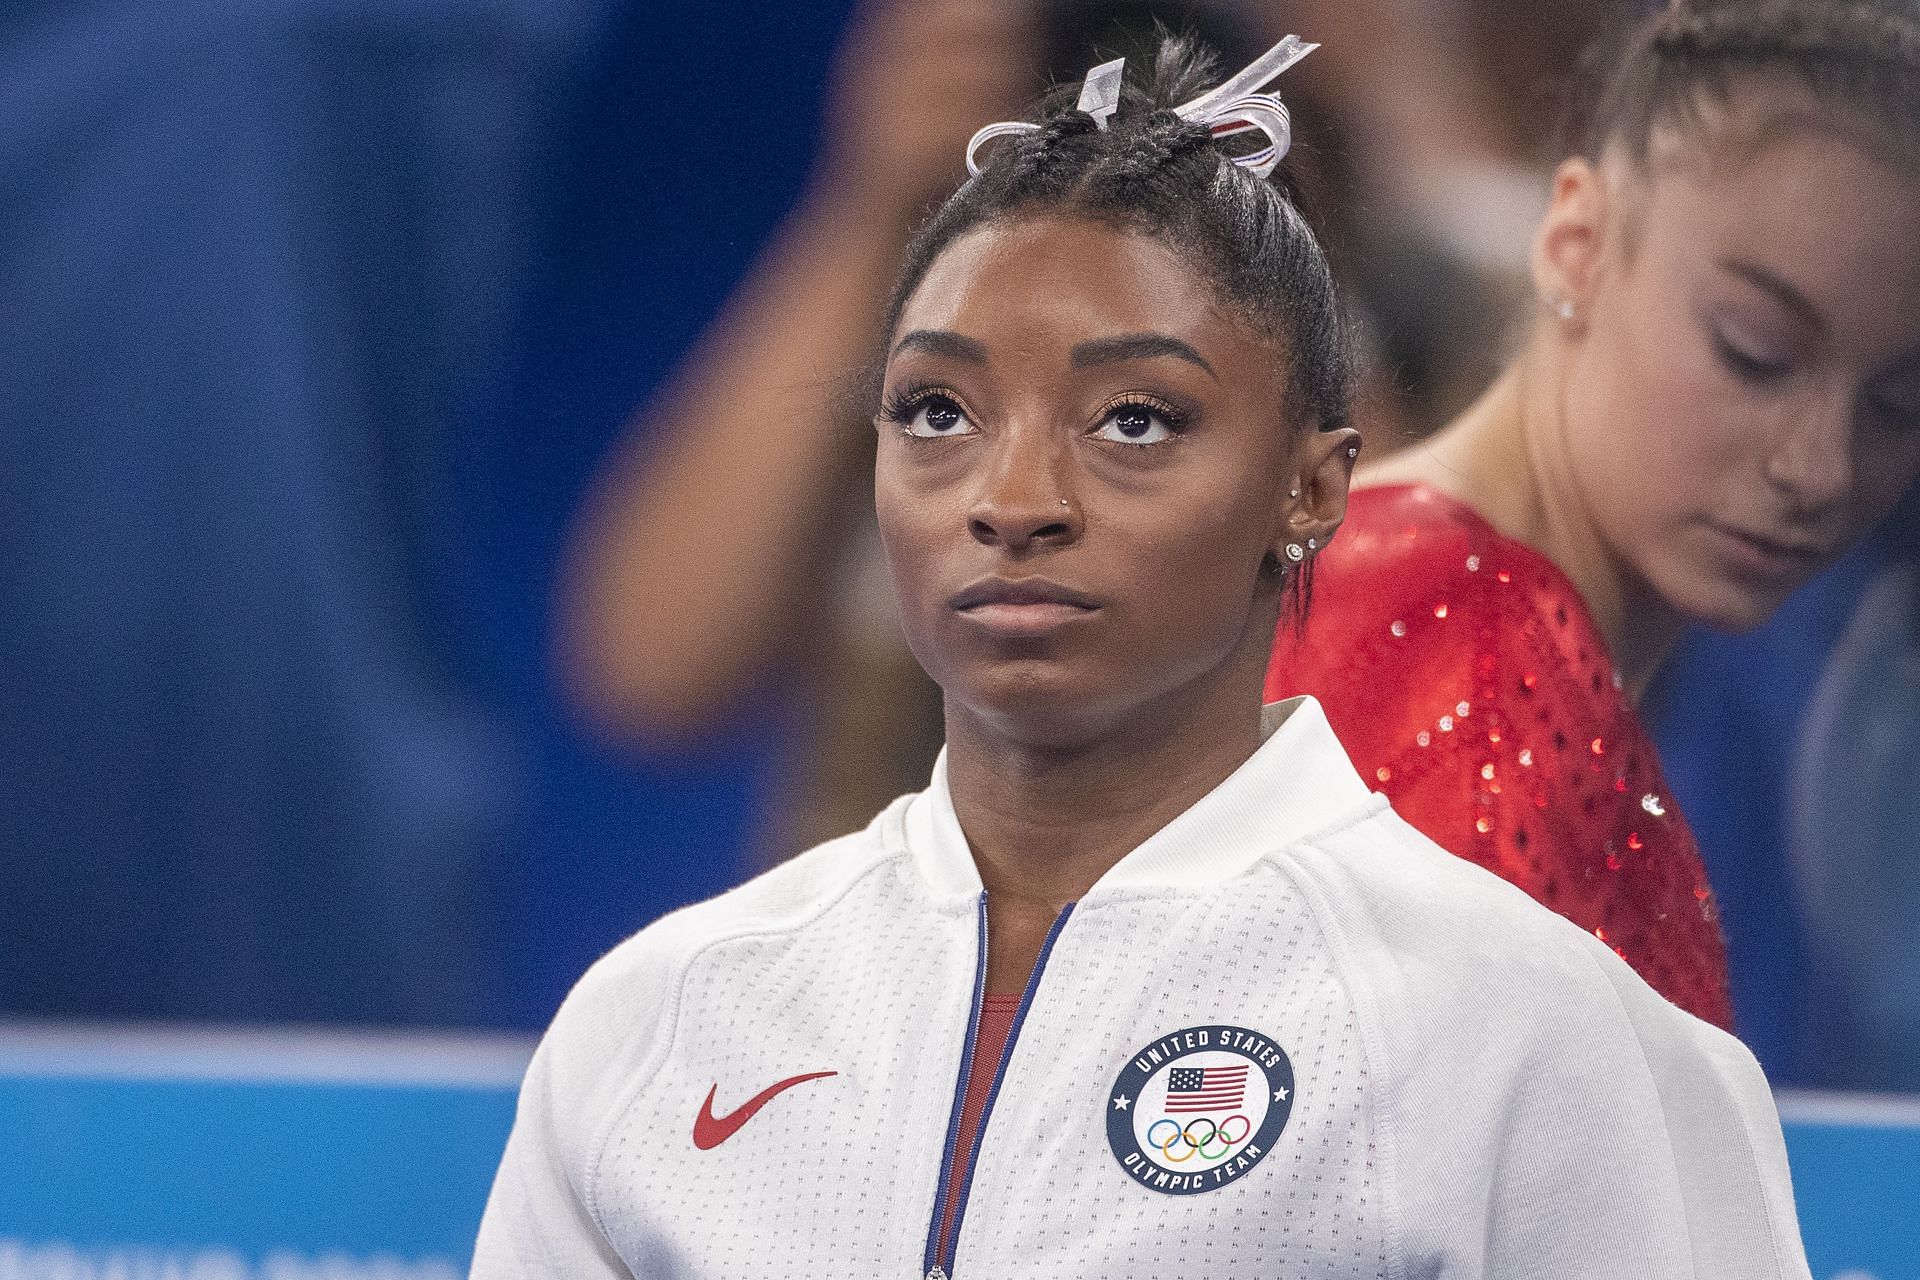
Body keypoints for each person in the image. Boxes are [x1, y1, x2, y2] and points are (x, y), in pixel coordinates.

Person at [475, 38, 1808, 1277]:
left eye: (1134, 419)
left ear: (1313, 487)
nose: (1013, 496)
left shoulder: (1538, 1036)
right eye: (936, 408)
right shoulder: (658, 1025)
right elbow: (645, 668)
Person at [1266, 0, 1920, 1031]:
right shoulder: (1467, 665)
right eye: (1754, 351)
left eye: (1899, 404)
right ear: (1577, 243)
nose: (1820, 466)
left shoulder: (1402, 577)